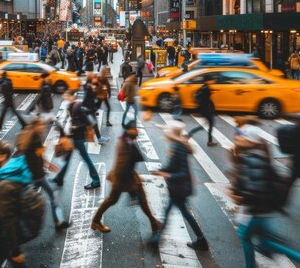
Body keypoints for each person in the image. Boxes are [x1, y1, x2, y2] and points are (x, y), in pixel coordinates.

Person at [231, 125, 300, 268]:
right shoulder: (255, 155)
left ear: (250, 140)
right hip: (263, 208)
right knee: (265, 242)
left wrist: (240, 198)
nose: (238, 137)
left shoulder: (252, 159)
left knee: (245, 236)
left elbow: (255, 189)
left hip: (257, 210)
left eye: (242, 135)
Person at [91, 120, 162, 233]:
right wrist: (130, 184)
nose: (137, 131)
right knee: (112, 200)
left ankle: (154, 223)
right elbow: (123, 164)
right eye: (134, 129)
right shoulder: (125, 143)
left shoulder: (127, 140)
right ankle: (96, 221)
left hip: (126, 177)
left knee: (140, 199)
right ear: (129, 130)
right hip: (122, 179)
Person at [148, 119, 209, 251]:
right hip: (177, 187)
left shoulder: (178, 147)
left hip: (179, 188)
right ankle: (200, 240)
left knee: (181, 213)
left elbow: (182, 172)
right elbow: (172, 166)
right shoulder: (176, 145)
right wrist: (161, 170)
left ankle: (157, 240)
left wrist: (166, 175)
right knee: (174, 211)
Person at [0, 141, 34, 268]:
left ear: (2, 156)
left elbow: (8, 218)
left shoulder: (4, 184)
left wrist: (15, 250)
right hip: (4, 236)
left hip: (2, 237)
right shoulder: (8, 172)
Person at [17, 118, 70, 231]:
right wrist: (46, 166)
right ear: (36, 126)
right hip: (36, 176)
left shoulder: (31, 137)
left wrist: (48, 165)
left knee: (48, 196)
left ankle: (58, 223)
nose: (44, 127)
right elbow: (37, 157)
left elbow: (38, 156)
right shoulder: (34, 139)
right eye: (41, 125)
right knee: (45, 197)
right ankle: (57, 222)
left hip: (35, 175)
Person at [52, 90, 101, 190]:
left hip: (78, 138)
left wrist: (76, 127)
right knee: (67, 158)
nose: (65, 98)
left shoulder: (77, 106)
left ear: (72, 97)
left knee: (86, 158)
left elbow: (88, 122)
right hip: (73, 136)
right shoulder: (71, 106)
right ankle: (59, 178)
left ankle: (96, 181)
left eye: (66, 96)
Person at [188, 74, 218, 147]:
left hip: (206, 110)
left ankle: (209, 141)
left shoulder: (204, 87)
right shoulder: (206, 89)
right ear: (209, 80)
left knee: (207, 125)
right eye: (212, 79)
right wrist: (207, 112)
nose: (214, 80)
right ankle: (190, 134)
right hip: (207, 111)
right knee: (207, 125)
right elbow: (205, 101)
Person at [82, 72, 108, 144]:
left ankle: (99, 138)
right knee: (93, 123)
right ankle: (99, 138)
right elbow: (92, 97)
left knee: (92, 123)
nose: (96, 79)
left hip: (89, 109)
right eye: (95, 77)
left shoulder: (88, 86)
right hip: (88, 109)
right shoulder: (90, 87)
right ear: (91, 79)